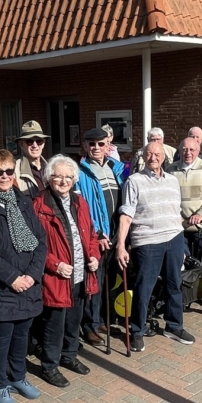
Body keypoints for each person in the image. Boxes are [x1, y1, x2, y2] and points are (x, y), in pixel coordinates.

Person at [0, 149, 47, 403]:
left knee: (21, 334)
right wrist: (13, 277)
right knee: (2, 336)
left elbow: (40, 240)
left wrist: (32, 275)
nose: (5, 176)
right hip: (1, 286)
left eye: (9, 171)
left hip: (28, 282)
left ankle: (18, 377)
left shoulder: (23, 200)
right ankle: (0, 384)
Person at [116, 142, 193, 352]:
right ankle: (137, 330)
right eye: (149, 154)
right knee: (143, 289)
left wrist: (182, 243)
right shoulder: (134, 181)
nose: (153, 158)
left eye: (157, 154)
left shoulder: (172, 181)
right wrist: (121, 245)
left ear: (163, 157)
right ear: (143, 157)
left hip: (174, 240)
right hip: (147, 242)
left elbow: (175, 213)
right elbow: (126, 214)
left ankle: (174, 326)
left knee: (174, 285)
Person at [33, 155, 100, 387]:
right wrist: (55, 264)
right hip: (56, 277)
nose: (63, 181)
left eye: (68, 177)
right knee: (54, 325)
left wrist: (94, 256)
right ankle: (49, 366)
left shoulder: (80, 202)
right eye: (58, 176)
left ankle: (69, 356)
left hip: (81, 274)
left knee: (74, 320)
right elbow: (34, 245)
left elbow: (90, 234)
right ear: (48, 178)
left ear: (74, 179)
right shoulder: (38, 205)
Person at [76, 127, 126, 345]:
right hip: (98, 235)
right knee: (94, 281)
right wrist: (97, 233)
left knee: (108, 279)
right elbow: (82, 207)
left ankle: (101, 318)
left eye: (100, 144)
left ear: (108, 145)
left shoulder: (116, 167)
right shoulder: (80, 171)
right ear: (85, 146)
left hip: (116, 234)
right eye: (92, 144)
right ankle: (89, 325)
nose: (96, 148)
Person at [166, 137, 202, 277]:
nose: (188, 153)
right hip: (180, 227)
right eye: (184, 149)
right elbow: (167, 198)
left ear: (198, 151)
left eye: (192, 150)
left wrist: (200, 214)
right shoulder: (170, 170)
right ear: (179, 151)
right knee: (182, 264)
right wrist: (176, 218)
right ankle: (187, 295)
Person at [14, 120, 50, 198]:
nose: (35, 145)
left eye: (39, 141)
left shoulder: (52, 168)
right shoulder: (14, 170)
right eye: (29, 141)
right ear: (21, 144)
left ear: (43, 144)